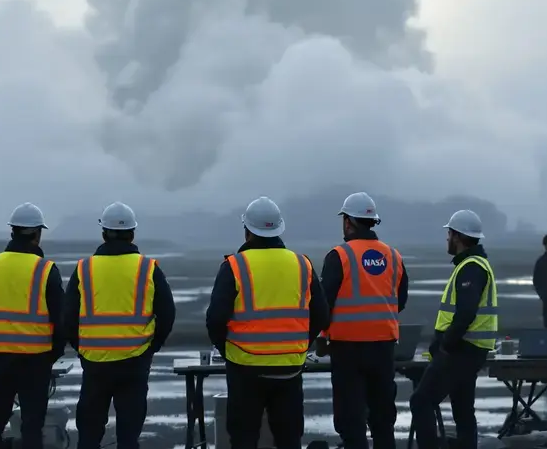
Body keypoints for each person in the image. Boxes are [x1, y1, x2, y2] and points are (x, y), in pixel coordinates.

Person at [205, 197, 330, 449]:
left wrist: (227, 350)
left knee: (244, 438)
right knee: (288, 439)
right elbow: (321, 315)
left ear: (247, 230)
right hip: (289, 368)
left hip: (245, 367)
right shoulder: (302, 264)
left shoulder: (235, 266)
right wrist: (299, 345)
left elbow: (215, 319)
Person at [64, 202, 176, 449]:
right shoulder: (148, 268)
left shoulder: (84, 268)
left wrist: (82, 347)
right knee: (128, 435)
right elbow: (167, 313)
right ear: (132, 233)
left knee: (89, 435)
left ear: (103, 232)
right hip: (134, 362)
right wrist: (151, 346)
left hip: (95, 363)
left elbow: (67, 317)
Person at [0, 203, 65, 449]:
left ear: (13, 232)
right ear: (37, 234)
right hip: (36, 360)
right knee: (32, 427)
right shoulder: (46, 270)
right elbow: (62, 320)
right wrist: (53, 354)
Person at [316, 192, 408, 449]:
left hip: (348, 349)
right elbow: (400, 300)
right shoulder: (393, 256)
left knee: (351, 421)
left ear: (348, 222)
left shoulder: (340, 256)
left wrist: (323, 338)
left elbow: (325, 305)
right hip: (383, 348)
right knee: (382, 421)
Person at [409, 210, 497, 449]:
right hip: (470, 350)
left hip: (461, 350)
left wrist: (445, 343)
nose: (447, 239)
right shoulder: (474, 264)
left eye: (449, 234)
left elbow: (466, 313)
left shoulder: (471, 267)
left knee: (422, 400)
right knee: (462, 408)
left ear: (457, 236)